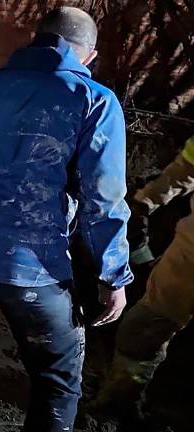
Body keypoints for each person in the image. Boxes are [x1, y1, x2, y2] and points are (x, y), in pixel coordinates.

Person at [0, 7, 132, 432]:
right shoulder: (94, 101)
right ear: (86, 56)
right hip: (33, 264)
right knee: (57, 379)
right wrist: (114, 276)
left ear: (35, 40)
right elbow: (103, 199)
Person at [96, 135, 194, 417]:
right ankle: (118, 403)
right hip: (188, 257)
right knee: (144, 329)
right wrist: (144, 202)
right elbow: (188, 166)